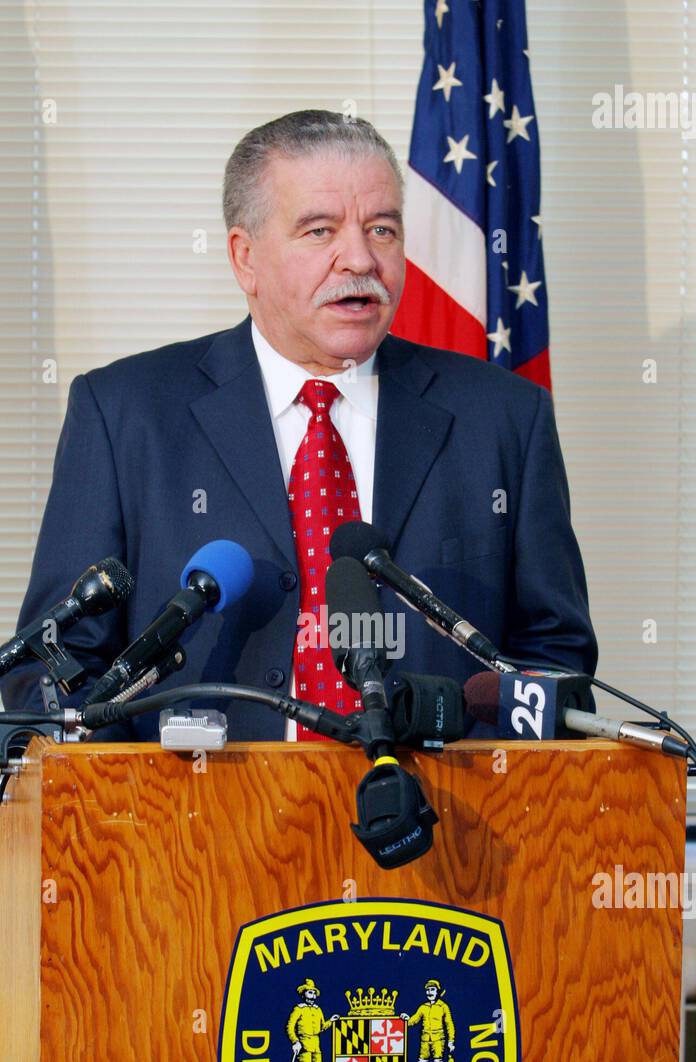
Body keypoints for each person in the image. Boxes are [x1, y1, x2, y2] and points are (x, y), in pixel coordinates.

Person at [0, 110, 597, 741]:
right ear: (245, 257)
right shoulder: (125, 414)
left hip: (438, 826)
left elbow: (551, 656)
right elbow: (55, 672)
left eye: (383, 229)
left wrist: (466, 805)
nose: (361, 258)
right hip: (192, 828)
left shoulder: (505, 417)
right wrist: (143, 820)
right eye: (319, 230)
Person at [401, 979, 455, 1062]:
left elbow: (449, 1024)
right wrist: (406, 1019)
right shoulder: (423, 1007)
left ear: (437, 991)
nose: (429, 992)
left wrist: (451, 1041)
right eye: (428, 990)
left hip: (438, 1040)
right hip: (425, 1040)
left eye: (432, 989)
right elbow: (414, 1020)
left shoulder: (443, 1007)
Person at [285, 979, 337, 1062]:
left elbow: (321, 1027)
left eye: (314, 993)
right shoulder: (299, 1009)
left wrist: (330, 1021)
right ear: (304, 994)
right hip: (304, 1043)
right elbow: (290, 1026)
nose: (312, 995)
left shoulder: (318, 1010)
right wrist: (295, 1041)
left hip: (316, 1043)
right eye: (310, 992)